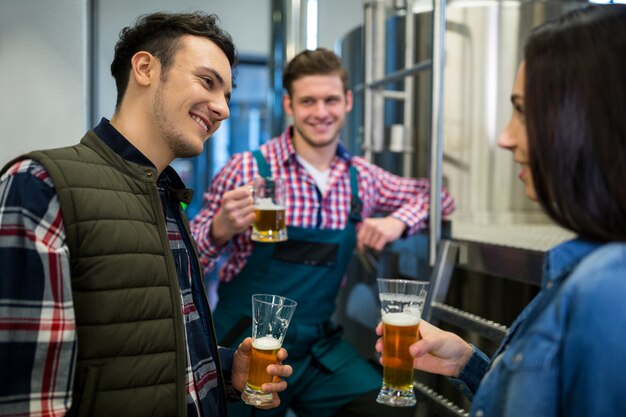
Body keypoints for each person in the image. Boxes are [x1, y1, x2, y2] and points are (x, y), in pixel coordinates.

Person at [0, 11, 292, 417]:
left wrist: (226, 369)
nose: (223, 109)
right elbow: (31, 398)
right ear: (144, 68)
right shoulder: (40, 183)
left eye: (227, 94)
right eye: (208, 82)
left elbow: (143, 342)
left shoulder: (168, 196)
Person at [375, 4, 626, 417]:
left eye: (523, 111)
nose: (504, 138)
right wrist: (465, 363)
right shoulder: (580, 264)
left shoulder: (608, 289)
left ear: (589, 119)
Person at [190, 47, 455, 417]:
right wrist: (219, 229)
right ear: (288, 104)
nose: (320, 112)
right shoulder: (246, 168)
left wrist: (398, 221)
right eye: (308, 100)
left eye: (330, 99)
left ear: (347, 101)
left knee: (387, 411)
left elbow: (439, 198)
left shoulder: (363, 178)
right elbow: (184, 265)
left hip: (318, 351)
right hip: (245, 347)